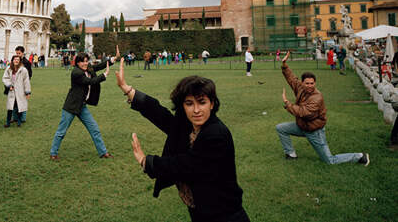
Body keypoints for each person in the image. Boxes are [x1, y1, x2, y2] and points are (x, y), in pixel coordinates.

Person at [115, 57, 249, 222]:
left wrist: (146, 162)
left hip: (224, 215)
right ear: (183, 106)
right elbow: (162, 116)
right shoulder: (189, 125)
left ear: (212, 104)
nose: (196, 110)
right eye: (189, 103)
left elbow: (184, 165)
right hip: (201, 210)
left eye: (202, 102)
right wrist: (127, 89)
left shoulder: (216, 134)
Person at [276, 51, 370, 165]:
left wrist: (287, 103)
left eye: (312, 83)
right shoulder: (300, 88)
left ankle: (360, 157)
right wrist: (284, 64)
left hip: (314, 131)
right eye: (307, 83)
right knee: (281, 128)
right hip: (302, 126)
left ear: (315, 83)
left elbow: (304, 112)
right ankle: (291, 154)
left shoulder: (317, 97)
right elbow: (292, 79)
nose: (309, 86)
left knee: (330, 161)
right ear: (302, 83)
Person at [49, 48, 117, 160]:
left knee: (94, 129)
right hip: (71, 106)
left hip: (82, 106)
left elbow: (98, 66)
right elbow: (90, 82)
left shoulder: (87, 68)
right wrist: (104, 75)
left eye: (86, 61)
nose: (85, 63)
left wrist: (112, 60)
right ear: (77, 63)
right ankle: (53, 153)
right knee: (61, 131)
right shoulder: (76, 72)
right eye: (83, 61)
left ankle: (103, 152)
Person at [2, 55, 31, 128]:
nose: (16, 61)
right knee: (10, 107)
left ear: (20, 61)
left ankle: (19, 121)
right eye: (15, 59)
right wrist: (9, 85)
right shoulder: (9, 69)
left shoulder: (23, 70)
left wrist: (27, 92)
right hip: (12, 91)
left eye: (18, 60)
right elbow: (5, 78)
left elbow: (26, 81)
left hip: (20, 91)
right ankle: (8, 122)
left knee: (19, 106)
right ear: (12, 60)